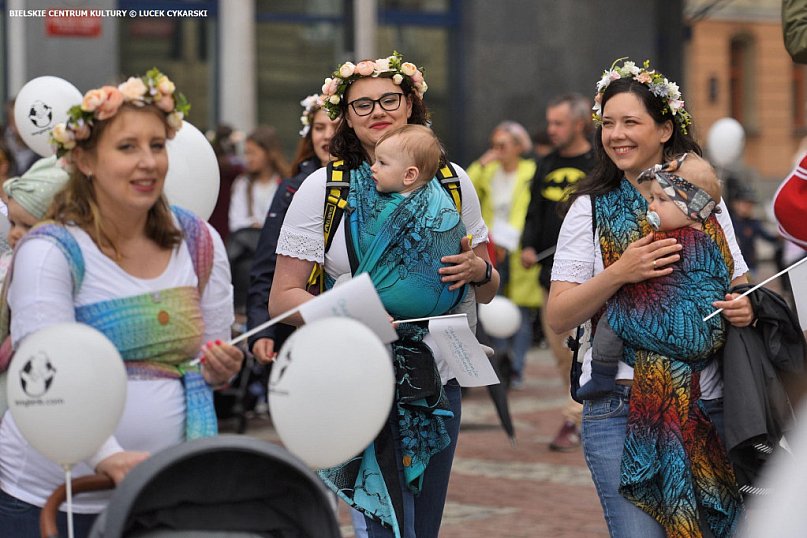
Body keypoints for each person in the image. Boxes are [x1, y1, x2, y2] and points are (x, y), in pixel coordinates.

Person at [0, 69, 244, 538]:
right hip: (54, 497)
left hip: (163, 493)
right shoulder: (51, 251)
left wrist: (219, 367)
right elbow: (42, 379)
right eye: (128, 147)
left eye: (157, 145)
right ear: (86, 160)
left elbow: (212, 356)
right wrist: (107, 456)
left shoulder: (198, 241)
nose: (148, 161)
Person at [269, 52, 499, 538]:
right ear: (346, 118)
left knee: (425, 526)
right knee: (387, 526)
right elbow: (282, 299)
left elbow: (488, 291)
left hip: (437, 379)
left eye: (389, 99)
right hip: (359, 374)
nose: (378, 111)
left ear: (411, 103)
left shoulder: (453, 183)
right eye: (361, 105)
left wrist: (481, 270)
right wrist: (355, 318)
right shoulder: (324, 188)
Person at [546, 58, 753, 537]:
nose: (616, 134)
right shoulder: (588, 208)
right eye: (608, 123)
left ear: (664, 129)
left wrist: (744, 307)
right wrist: (621, 272)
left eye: (630, 122)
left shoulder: (704, 202)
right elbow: (559, 316)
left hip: (708, 403)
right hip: (620, 405)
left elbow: (737, 283)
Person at [577, 153, 731, 400]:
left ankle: (602, 374)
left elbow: (715, 283)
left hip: (676, 321)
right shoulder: (710, 240)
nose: (651, 206)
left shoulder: (669, 241)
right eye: (652, 197)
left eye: (661, 199)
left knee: (611, 318)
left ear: (692, 210)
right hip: (686, 326)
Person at [521, 93, 595, 450]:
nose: (551, 130)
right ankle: (583, 408)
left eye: (558, 123)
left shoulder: (599, 162)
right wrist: (527, 245)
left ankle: (574, 418)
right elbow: (533, 211)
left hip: (590, 279)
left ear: (579, 124)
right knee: (561, 353)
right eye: (549, 123)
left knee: (583, 351)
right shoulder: (546, 162)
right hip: (549, 275)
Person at [247, 93, 337, 363]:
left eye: (335, 128)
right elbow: (266, 264)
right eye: (319, 128)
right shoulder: (290, 189)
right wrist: (261, 329)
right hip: (296, 325)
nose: (326, 137)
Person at [467, 121, 540, 389]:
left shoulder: (531, 172)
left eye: (503, 146)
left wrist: (519, 239)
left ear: (519, 147)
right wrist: (482, 164)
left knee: (519, 309)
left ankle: (517, 368)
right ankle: (499, 369)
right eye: (493, 145)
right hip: (491, 246)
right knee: (491, 308)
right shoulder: (489, 171)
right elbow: (465, 188)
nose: (497, 151)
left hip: (517, 247)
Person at [227, 125, 290, 316]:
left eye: (253, 153)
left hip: (273, 244)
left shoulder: (283, 183)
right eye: (246, 153)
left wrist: (261, 224)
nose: (248, 159)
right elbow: (236, 221)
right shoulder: (242, 184)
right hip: (247, 245)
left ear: (268, 153)